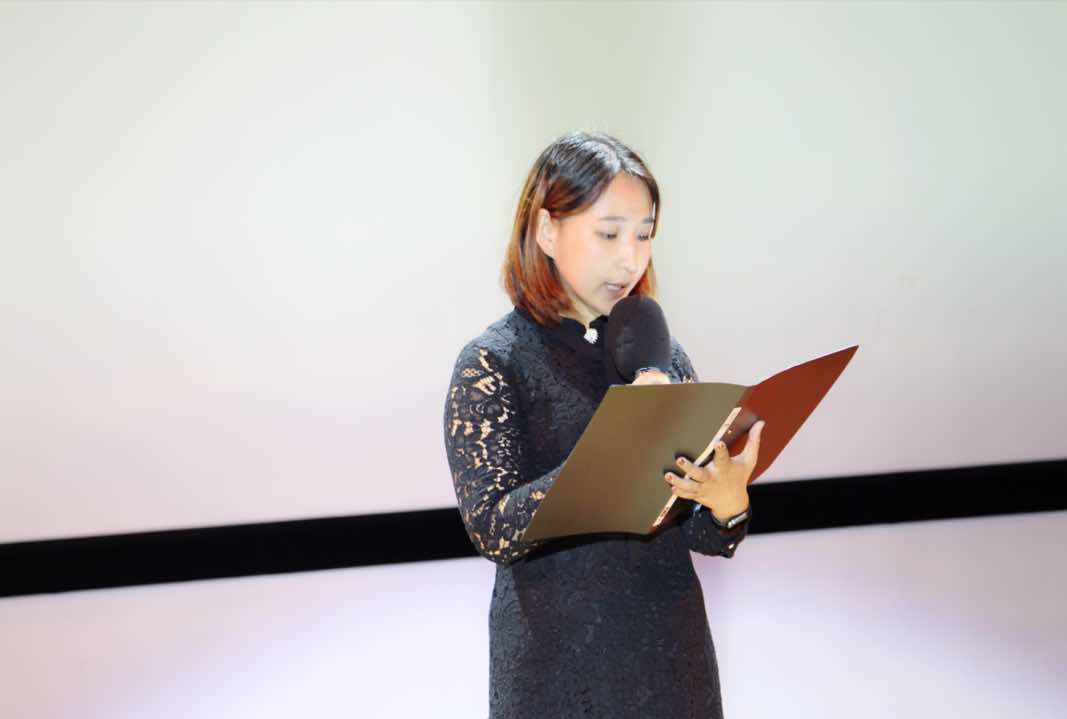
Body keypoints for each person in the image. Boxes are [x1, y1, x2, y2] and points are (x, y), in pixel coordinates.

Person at [442, 130, 765, 719]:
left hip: (672, 661)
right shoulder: (494, 362)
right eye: (609, 233)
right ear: (547, 230)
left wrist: (726, 505)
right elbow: (493, 529)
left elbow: (699, 534)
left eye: (644, 234)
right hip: (556, 667)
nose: (629, 258)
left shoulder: (662, 355)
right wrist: (614, 448)